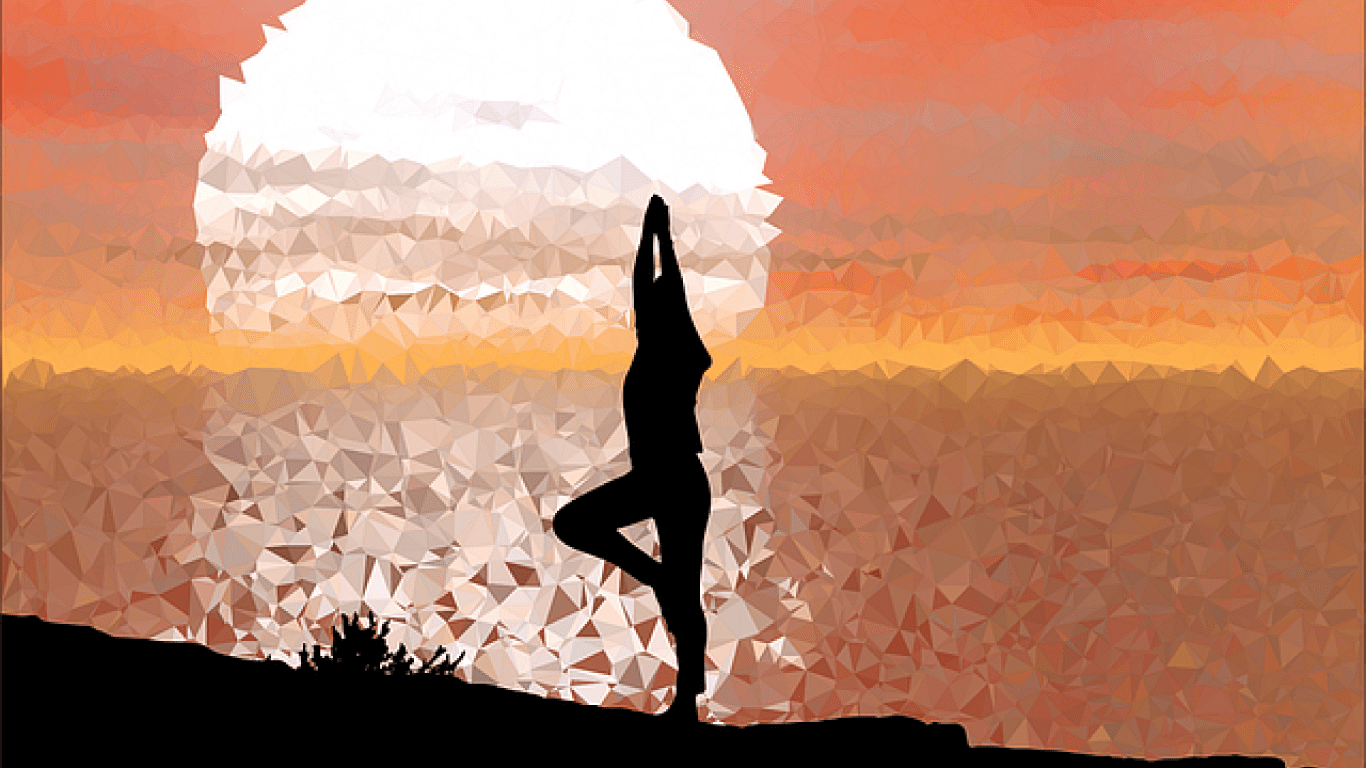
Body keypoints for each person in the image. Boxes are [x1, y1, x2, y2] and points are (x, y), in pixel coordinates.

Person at [552, 194, 713, 721]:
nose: (646, 309)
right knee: (575, 523)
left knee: (683, 587)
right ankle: (656, 577)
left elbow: (672, 292)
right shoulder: (651, 346)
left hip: (678, 479)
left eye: (656, 308)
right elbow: (645, 289)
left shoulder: (685, 354)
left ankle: (687, 699)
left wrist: (662, 241)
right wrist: (648, 238)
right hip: (659, 478)